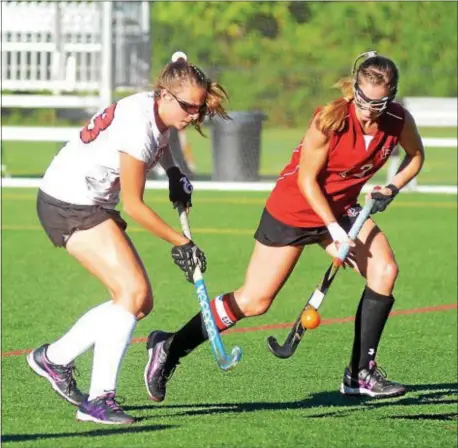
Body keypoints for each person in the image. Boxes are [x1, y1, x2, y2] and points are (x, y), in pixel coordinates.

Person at [143, 51, 425, 401]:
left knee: (384, 269)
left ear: (391, 97)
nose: (369, 111)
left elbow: (415, 156)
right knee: (254, 300)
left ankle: (360, 373)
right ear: (355, 90)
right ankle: (169, 347)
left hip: (341, 209)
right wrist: (335, 231)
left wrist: (392, 186)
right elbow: (307, 180)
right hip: (294, 208)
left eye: (379, 104)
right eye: (364, 101)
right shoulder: (330, 121)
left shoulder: (397, 120)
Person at [26, 51, 230, 424]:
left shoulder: (152, 109)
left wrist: (172, 172)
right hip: (69, 203)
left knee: (138, 300)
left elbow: (162, 139)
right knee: (132, 295)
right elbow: (135, 206)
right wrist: (180, 241)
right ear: (165, 96)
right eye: (189, 107)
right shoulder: (139, 127)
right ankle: (98, 399)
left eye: (199, 110)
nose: (195, 116)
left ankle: (54, 359)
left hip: (84, 202)